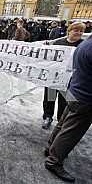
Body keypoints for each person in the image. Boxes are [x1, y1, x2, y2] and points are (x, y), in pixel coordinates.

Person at [44, 35, 92, 183]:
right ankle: (54, 161)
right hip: (85, 98)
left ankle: (51, 147)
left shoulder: (85, 44)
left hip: (75, 91)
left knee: (64, 123)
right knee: (70, 132)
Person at [42, 22, 86, 130]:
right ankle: (48, 117)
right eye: (76, 30)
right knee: (50, 98)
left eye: (81, 31)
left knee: (64, 101)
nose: (79, 33)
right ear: (69, 31)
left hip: (70, 80)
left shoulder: (83, 45)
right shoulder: (58, 42)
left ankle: (61, 121)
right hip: (54, 77)